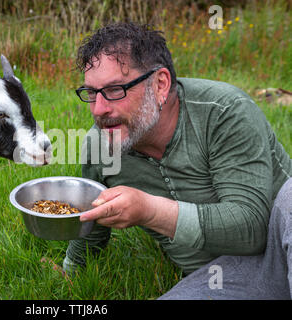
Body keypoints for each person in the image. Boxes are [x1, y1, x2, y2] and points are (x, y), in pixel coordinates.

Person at [63, 22, 292, 299]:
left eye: (115, 91)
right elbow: (94, 216)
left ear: (160, 84)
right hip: (220, 278)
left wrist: (149, 210)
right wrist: (70, 271)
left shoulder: (224, 112)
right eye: (91, 93)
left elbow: (252, 228)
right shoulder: (101, 144)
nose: (99, 109)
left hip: (278, 249)